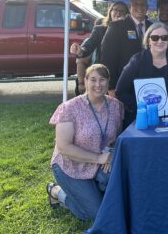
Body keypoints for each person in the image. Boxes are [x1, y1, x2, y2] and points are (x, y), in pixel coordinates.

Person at [46, 64, 124, 220]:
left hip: (103, 162)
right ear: (85, 81)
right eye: (93, 79)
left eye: (102, 80)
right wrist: (98, 158)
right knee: (95, 213)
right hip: (71, 165)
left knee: (118, 198)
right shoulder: (69, 108)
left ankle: (93, 189)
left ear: (108, 82)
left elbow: (118, 137)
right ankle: (56, 192)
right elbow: (64, 147)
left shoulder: (116, 106)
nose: (97, 84)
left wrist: (109, 152)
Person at [115, 22, 168, 126]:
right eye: (155, 38)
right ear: (148, 40)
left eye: (164, 37)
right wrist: (140, 106)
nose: (160, 41)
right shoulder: (137, 61)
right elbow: (120, 91)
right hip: (142, 120)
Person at [70, 1, 129, 94]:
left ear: (126, 15)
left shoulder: (130, 31)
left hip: (122, 74)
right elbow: (88, 46)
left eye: (122, 11)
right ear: (110, 12)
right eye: (116, 10)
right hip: (103, 74)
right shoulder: (100, 29)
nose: (118, 13)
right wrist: (80, 51)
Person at [100, 0, 152, 93]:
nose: (140, 7)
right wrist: (111, 87)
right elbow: (108, 58)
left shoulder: (153, 27)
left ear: (147, 7)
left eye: (143, 4)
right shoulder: (117, 26)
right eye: (136, 4)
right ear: (130, 6)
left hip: (148, 82)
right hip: (124, 82)